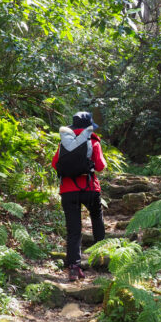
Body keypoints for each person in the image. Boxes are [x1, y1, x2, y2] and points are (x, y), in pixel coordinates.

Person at [51, 111, 106, 281]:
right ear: (88, 126)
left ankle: (74, 267)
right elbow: (100, 166)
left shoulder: (64, 142)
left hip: (68, 191)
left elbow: (55, 164)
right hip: (89, 188)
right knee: (96, 217)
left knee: (73, 229)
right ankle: (100, 256)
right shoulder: (93, 140)